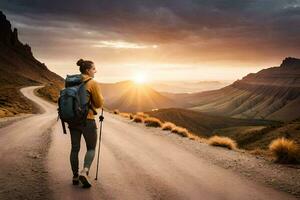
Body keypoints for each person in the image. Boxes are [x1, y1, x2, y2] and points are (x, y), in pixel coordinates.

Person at [68, 59, 104, 188]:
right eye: (94, 69)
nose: (95, 71)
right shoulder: (92, 82)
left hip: (72, 120)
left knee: (75, 148)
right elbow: (99, 104)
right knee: (91, 148)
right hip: (87, 120)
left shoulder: (71, 82)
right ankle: (85, 171)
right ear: (88, 70)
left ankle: (75, 176)